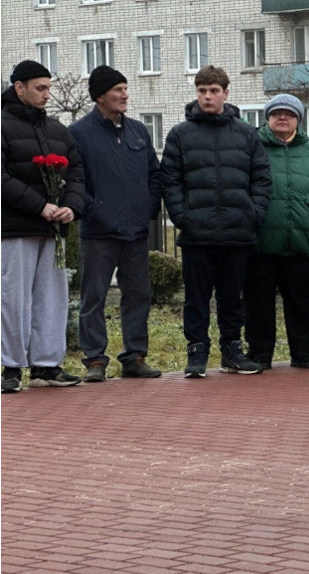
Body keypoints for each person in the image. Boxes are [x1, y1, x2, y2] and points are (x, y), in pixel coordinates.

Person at [162, 65, 272, 378]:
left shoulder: (246, 134)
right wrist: (182, 216)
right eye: (202, 91)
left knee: (232, 298)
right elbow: (170, 180)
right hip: (197, 233)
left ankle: (232, 351)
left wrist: (254, 213)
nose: (207, 97)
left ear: (226, 93)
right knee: (196, 299)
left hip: (238, 232)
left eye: (213, 91)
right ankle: (196, 352)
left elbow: (261, 178)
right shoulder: (180, 134)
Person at [69, 65, 162, 383]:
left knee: (138, 295)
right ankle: (95, 360)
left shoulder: (138, 130)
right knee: (93, 297)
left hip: (135, 232)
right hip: (98, 232)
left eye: (125, 88)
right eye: (117, 90)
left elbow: (153, 173)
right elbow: (76, 182)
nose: (124, 94)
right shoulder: (79, 133)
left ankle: (134, 357)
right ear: (99, 96)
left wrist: (149, 208)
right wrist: (96, 212)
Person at [1, 60, 86, 392]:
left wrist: (71, 207)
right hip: (14, 228)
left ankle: (46, 365)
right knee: (12, 298)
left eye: (49, 87)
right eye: (41, 88)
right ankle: (10, 367)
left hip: (53, 230)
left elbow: (77, 172)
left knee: (53, 297)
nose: (48, 94)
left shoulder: (57, 130)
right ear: (19, 88)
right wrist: (39, 206)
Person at [243, 94, 309, 371]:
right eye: (276, 113)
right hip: (262, 240)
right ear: (268, 118)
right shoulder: (254, 147)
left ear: (297, 118)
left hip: (302, 238)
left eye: (289, 113)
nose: (282, 118)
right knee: (258, 302)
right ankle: (260, 354)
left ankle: (301, 352)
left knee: (301, 301)